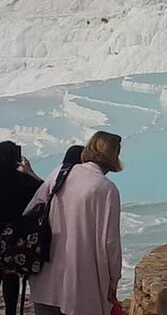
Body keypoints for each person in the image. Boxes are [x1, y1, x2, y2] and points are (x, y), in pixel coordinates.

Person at [26, 133, 123, 315]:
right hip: (83, 283)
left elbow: (31, 211)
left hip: (46, 275)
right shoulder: (106, 189)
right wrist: (114, 279)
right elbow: (110, 242)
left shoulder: (59, 173)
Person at [0, 141, 42, 315]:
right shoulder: (25, 181)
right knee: (11, 277)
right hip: (14, 239)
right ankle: (11, 312)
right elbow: (48, 192)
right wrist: (30, 172)